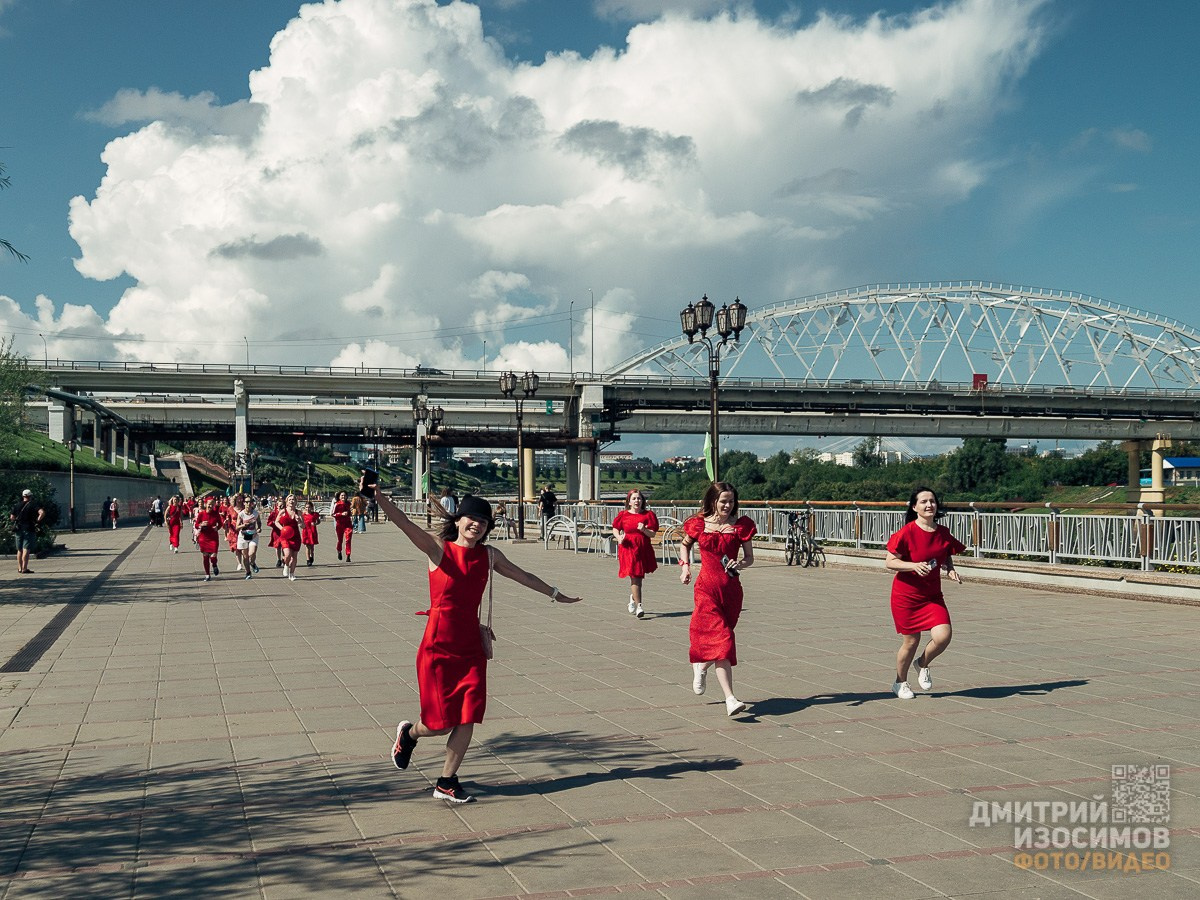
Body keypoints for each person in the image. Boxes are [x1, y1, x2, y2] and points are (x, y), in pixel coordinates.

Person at [377, 491, 581, 804]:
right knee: (438, 723)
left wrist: (556, 593)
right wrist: (377, 495)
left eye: (484, 521)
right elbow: (404, 523)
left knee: (468, 714)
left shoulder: (489, 556)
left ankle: (447, 781)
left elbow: (522, 575)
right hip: (438, 647)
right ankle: (410, 734)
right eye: (472, 519)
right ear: (458, 520)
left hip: (471, 646)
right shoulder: (438, 548)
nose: (477, 525)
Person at [679, 482, 756, 717]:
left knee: (722, 640)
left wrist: (739, 563)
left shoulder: (741, 526)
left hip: (731, 590)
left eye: (731, 501)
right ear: (713, 500)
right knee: (723, 643)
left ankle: (701, 666)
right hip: (706, 590)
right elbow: (684, 546)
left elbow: (749, 558)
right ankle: (730, 699)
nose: (727, 505)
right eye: (723, 501)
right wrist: (685, 568)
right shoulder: (699, 523)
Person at [885, 487, 966, 700]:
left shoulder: (943, 533)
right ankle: (899, 682)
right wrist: (913, 566)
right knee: (911, 641)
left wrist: (950, 569)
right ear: (915, 507)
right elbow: (890, 561)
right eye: (923, 502)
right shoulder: (907, 533)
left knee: (943, 636)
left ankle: (922, 664)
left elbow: (946, 553)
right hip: (906, 596)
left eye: (932, 501)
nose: (929, 505)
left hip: (932, 596)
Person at [612, 489, 659, 618]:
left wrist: (644, 529)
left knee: (639, 577)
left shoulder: (648, 515)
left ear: (642, 500)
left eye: (639, 498)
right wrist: (618, 537)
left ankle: (633, 598)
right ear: (629, 501)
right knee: (635, 577)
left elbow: (653, 533)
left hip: (643, 548)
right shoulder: (623, 515)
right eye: (634, 498)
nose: (637, 501)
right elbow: (615, 528)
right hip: (628, 549)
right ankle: (639, 606)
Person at [10, 488, 45, 574]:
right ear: (30, 496)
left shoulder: (17, 505)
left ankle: (19, 568)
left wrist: (17, 520)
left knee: (19, 549)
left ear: (23, 496)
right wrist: (37, 520)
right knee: (26, 548)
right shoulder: (33, 505)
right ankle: (24, 568)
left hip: (18, 529)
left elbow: (12, 517)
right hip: (29, 528)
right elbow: (42, 512)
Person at [193, 496, 223, 581]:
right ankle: (207, 574)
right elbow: (196, 524)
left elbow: (220, 524)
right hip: (204, 537)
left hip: (213, 537)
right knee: (205, 556)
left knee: (213, 556)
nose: (211, 506)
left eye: (212, 504)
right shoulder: (201, 514)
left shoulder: (215, 513)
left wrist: (217, 528)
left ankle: (214, 564)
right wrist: (201, 524)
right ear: (206, 504)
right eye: (209, 504)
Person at [276, 495, 302, 581]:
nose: (291, 501)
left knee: (294, 556)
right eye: (290, 500)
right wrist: (282, 529)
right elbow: (276, 522)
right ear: (287, 502)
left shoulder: (298, 512)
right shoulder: (282, 512)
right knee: (287, 554)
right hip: (285, 536)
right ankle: (286, 565)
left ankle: (292, 574)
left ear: (296, 501)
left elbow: (303, 526)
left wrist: (299, 521)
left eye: (293, 500)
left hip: (295, 536)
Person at [237, 496, 262, 579]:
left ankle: (253, 563)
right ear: (244, 503)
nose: (248, 504)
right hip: (243, 537)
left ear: (252, 503)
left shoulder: (255, 513)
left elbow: (259, 522)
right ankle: (248, 572)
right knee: (245, 556)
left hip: (253, 536)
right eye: (246, 502)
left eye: (250, 502)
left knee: (252, 553)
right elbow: (237, 527)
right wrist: (243, 525)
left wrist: (259, 528)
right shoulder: (241, 514)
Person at [332, 490, 353, 562]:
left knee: (348, 539)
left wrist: (351, 512)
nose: (343, 497)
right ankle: (339, 551)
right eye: (342, 495)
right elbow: (333, 514)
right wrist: (341, 514)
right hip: (339, 524)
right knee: (340, 540)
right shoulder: (337, 504)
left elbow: (350, 512)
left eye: (344, 495)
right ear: (339, 497)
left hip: (348, 524)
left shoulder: (349, 504)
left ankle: (348, 555)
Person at [301, 500, 321, 566]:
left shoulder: (315, 514)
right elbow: (300, 523)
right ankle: (308, 559)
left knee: (312, 546)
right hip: (306, 531)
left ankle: (311, 556)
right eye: (306, 507)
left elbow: (318, 521)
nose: (308, 509)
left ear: (312, 507)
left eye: (309, 507)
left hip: (312, 531)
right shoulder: (303, 515)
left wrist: (315, 523)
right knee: (307, 546)